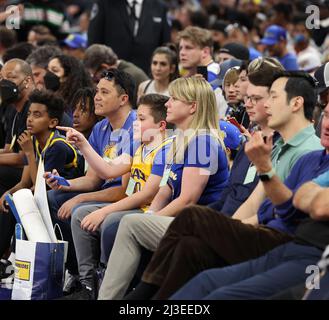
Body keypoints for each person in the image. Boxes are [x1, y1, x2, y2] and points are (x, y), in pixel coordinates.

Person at [120, 71, 324, 300]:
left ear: (296, 103)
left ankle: (137, 298)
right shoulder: (273, 147)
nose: (261, 104)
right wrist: (228, 227)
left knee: (183, 217)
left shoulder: (307, 150)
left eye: (270, 97)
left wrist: (229, 227)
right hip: (253, 228)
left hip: (278, 239)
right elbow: (250, 199)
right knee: (189, 247)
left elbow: (288, 213)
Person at [171, 100, 329, 299]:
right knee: (198, 264)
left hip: (291, 245)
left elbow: (317, 207)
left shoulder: (302, 149)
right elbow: (291, 204)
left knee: (189, 219)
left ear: (295, 104)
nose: (250, 104)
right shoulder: (305, 156)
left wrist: (232, 226)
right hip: (288, 243)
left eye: (264, 97)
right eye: (327, 115)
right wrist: (232, 226)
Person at [98, 77, 230, 300]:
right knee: (128, 222)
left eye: (174, 99)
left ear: (192, 107)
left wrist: (151, 219)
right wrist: (150, 215)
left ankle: (109, 297)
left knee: (129, 223)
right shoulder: (181, 138)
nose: (167, 104)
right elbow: (167, 187)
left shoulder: (203, 142)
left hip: (200, 225)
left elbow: (187, 199)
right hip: (182, 220)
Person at [60, 94, 173, 299]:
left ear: (161, 125)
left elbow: (147, 194)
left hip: (149, 209)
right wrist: (83, 145)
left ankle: (109, 281)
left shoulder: (166, 150)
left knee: (111, 221)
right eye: (136, 118)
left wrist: (104, 210)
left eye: (141, 119)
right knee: (80, 214)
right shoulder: (140, 147)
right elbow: (108, 170)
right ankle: (88, 285)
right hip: (135, 205)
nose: (136, 124)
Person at [44, 69, 136, 288]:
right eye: (97, 91)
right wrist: (66, 184)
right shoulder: (100, 127)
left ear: (123, 99)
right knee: (53, 197)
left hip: (127, 195)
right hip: (106, 192)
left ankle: (89, 281)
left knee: (75, 208)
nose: (97, 97)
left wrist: (78, 199)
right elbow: (93, 180)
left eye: (104, 92)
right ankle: (74, 270)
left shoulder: (138, 128)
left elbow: (125, 190)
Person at [0, 89, 82, 278]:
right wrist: (8, 194)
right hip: (51, 193)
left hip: (68, 193)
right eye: (29, 114)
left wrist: (28, 153)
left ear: (53, 122)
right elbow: (25, 181)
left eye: (37, 115)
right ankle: (10, 257)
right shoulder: (37, 142)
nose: (30, 119)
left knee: (27, 200)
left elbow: (40, 188)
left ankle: (15, 257)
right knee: (11, 200)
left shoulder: (57, 146)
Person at [87, 0, 171, 73]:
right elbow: (94, 42)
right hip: (110, 76)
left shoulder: (160, 7)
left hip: (147, 76)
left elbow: (165, 46)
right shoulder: (104, 3)